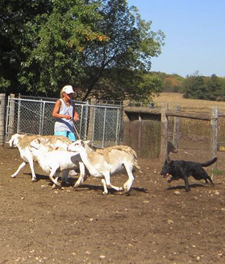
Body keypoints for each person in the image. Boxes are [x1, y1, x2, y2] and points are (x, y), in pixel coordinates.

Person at [52, 85, 79, 181]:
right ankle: (57, 166)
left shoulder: (72, 103)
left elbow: (74, 112)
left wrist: (76, 117)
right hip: (61, 128)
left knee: (72, 146)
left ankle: (70, 168)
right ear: (64, 94)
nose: (70, 95)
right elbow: (54, 114)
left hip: (70, 127)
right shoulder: (59, 102)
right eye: (68, 94)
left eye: (71, 94)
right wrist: (64, 116)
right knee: (61, 148)